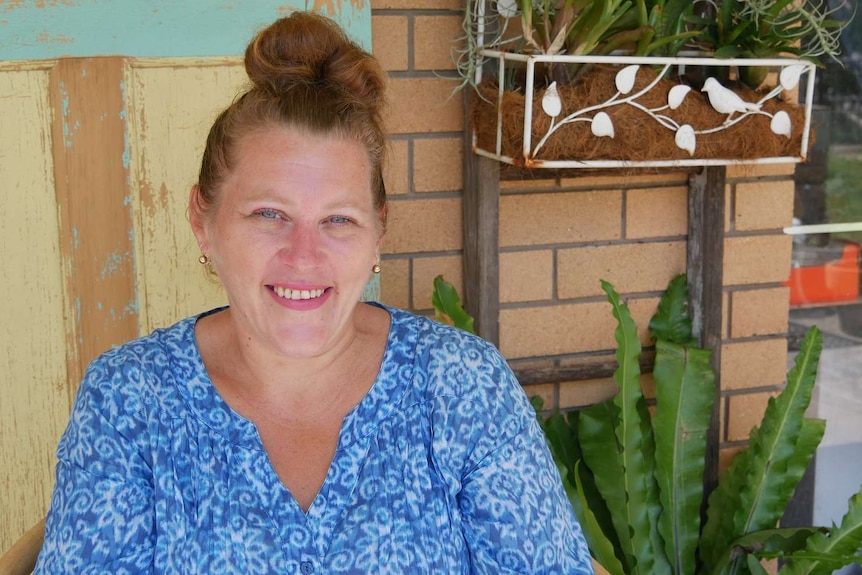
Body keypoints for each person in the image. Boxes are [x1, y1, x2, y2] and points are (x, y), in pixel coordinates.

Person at [34, 11, 594, 575]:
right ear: (203, 222)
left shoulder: (461, 388)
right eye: (269, 213)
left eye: (339, 220)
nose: (304, 257)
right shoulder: (130, 400)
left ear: (379, 233)